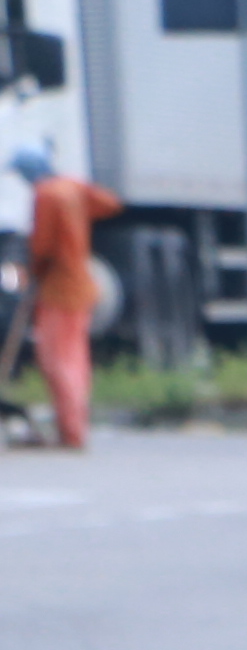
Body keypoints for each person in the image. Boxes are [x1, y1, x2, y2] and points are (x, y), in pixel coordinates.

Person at [14, 142, 121, 450]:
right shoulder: (70, 189)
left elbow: (42, 246)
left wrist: (31, 274)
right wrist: (76, 184)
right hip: (80, 286)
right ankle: (74, 429)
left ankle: (70, 433)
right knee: (76, 360)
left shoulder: (46, 194)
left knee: (56, 361)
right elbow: (110, 203)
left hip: (58, 291)